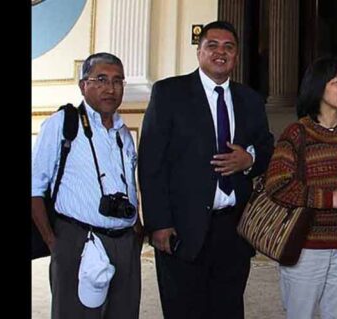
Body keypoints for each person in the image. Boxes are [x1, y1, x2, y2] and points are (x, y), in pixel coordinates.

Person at [138, 20, 274, 318]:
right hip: (181, 228)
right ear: (199, 52)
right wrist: (158, 223)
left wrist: (249, 160)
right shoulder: (169, 93)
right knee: (184, 310)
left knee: (228, 309)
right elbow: (151, 163)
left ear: (236, 56)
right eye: (212, 45)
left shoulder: (250, 100)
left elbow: (266, 148)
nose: (220, 52)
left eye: (229, 47)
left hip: (234, 230)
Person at [31, 52, 144, 318]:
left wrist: (136, 229)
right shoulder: (63, 124)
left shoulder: (123, 133)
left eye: (118, 81)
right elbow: (35, 187)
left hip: (124, 242)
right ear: (83, 85)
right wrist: (53, 242)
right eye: (101, 79)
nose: (110, 88)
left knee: (124, 313)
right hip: (77, 237)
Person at [263, 56, 337, 319]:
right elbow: (277, 184)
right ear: (318, 87)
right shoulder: (297, 133)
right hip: (304, 248)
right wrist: (328, 199)